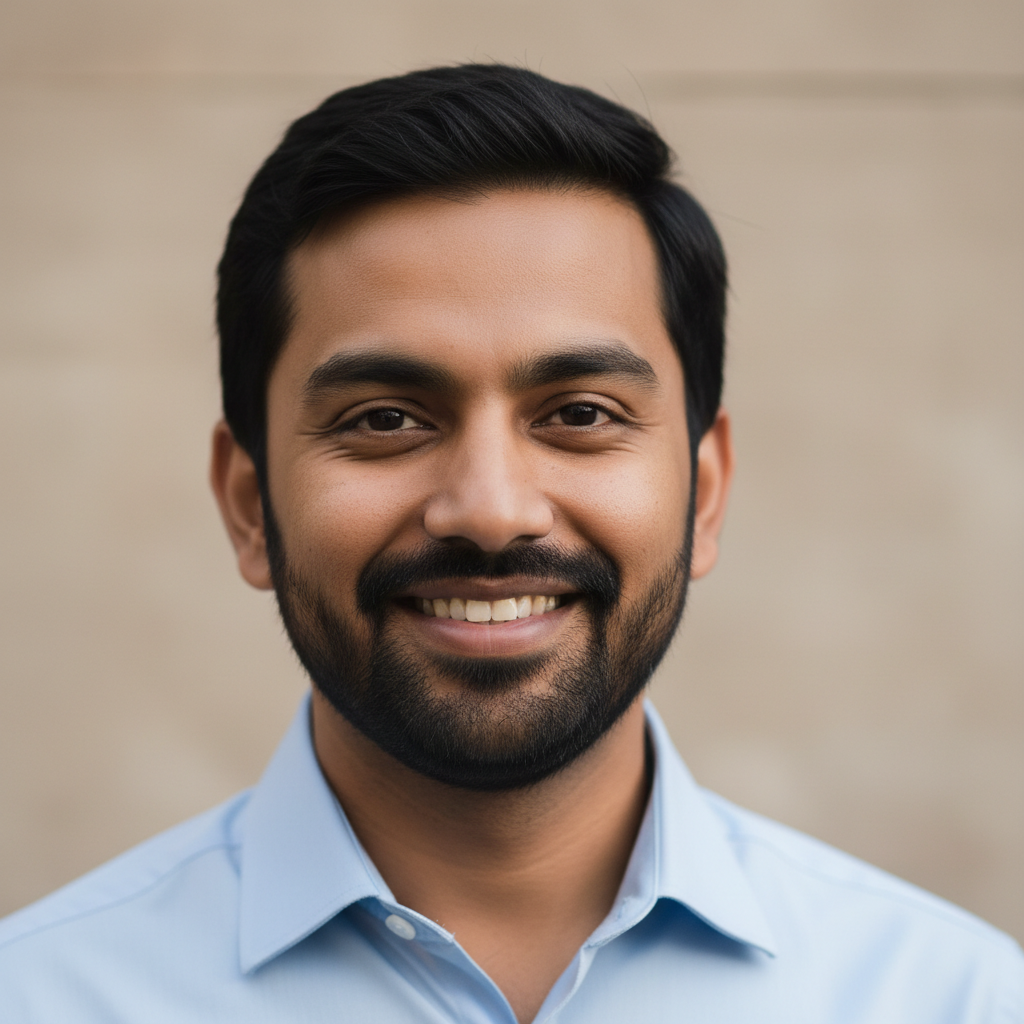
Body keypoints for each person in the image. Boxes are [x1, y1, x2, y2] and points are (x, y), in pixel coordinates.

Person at [0, 63, 1020, 1024]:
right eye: (386, 419)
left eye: (579, 412)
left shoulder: (950, 999)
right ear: (248, 504)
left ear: (703, 495)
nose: (490, 511)